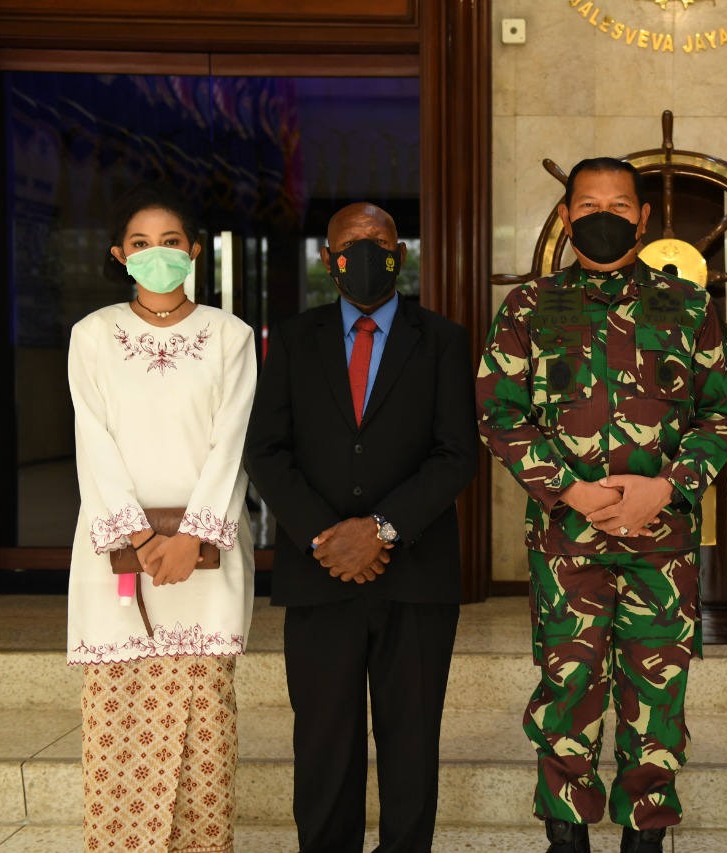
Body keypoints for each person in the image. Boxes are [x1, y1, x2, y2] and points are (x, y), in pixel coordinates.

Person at [476, 157, 727, 853]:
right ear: (565, 216)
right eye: (587, 203)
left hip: (662, 539)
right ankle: (565, 835)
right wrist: (569, 488)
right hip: (568, 541)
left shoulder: (687, 306)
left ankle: (644, 837)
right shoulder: (530, 307)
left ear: (643, 218)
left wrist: (669, 484)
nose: (603, 214)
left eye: (619, 204)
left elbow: (721, 415)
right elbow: (498, 412)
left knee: (656, 701)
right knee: (567, 688)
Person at [243, 202, 477, 853]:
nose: (366, 254)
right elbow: (266, 449)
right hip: (318, 576)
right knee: (323, 740)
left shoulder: (443, 339)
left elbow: (457, 452)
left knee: (410, 740)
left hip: (417, 576)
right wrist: (327, 534)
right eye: (351, 245)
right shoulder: (292, 337)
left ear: (400, 251)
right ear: (328, 258)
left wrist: (382, 527)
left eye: (379, 241)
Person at [67, 181, 256, 852]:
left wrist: (193, 539)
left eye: (170, 243)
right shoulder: (92, 335)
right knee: (116, 727)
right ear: (120, 255)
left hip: (205, 559)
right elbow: (93, 443)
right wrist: (145, 537)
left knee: (204, 729)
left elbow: (231, 445)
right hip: (117, 561)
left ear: (195, 252)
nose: (157, 256)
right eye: (141, 245)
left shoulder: (231, 336)